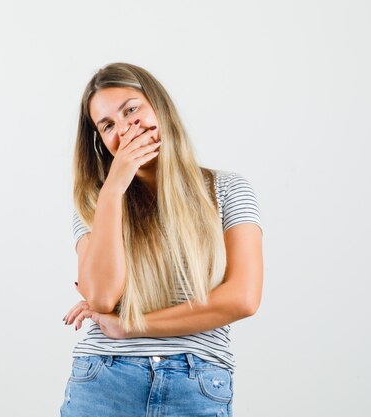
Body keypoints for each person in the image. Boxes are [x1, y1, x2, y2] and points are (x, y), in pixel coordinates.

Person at [60, 62, 263, 417]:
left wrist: (132, 325)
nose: (124, 129)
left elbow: (242, 299)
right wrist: (112, 193)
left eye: (131, 109)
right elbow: (102, 297)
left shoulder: (228, 190)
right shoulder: (96, 202)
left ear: (158, 105)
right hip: (105, 379)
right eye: (107, 125)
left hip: (196, 382)